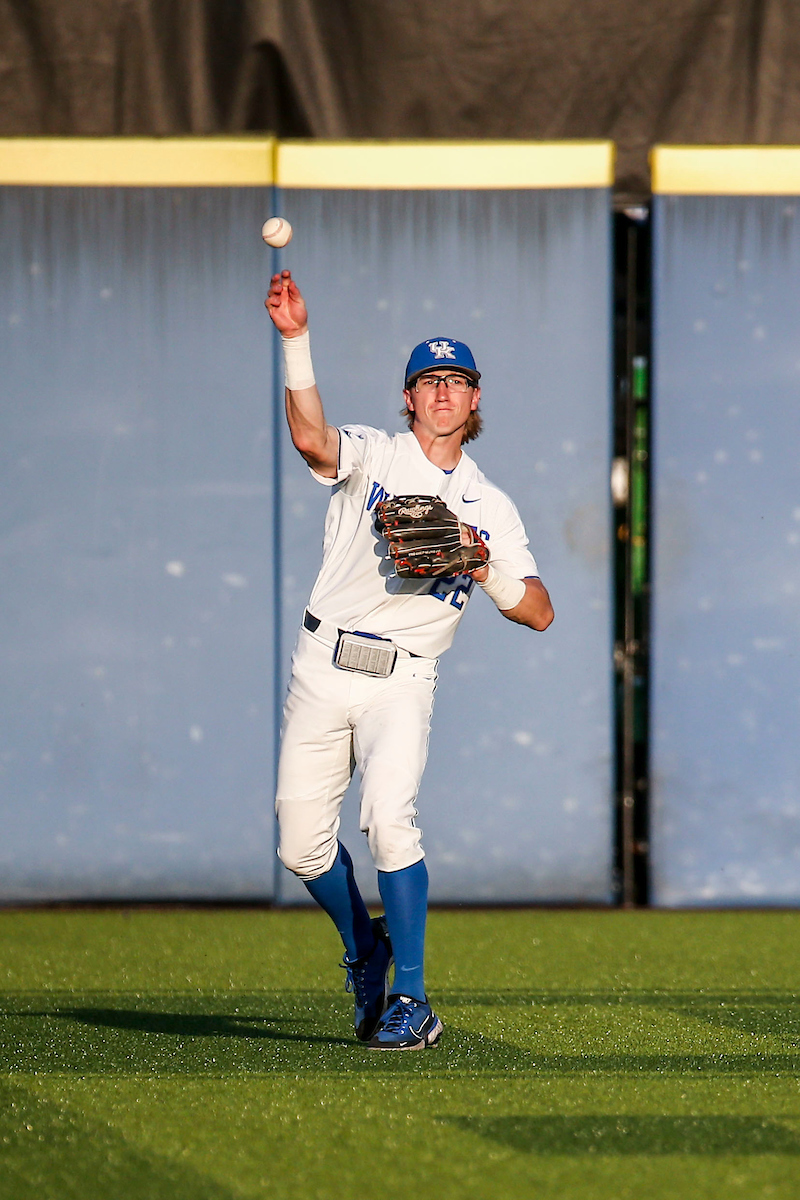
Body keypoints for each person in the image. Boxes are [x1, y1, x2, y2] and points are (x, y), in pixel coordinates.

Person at [265, 268, 554, 1050]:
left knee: (390, 821)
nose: (442, 394)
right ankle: (365, 952)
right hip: (323, 662)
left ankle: (412, 998)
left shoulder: (489, 504)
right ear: (409, 397)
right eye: (429, 381)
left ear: (476, 397)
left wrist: (481, 558)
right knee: (300, 847)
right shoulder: (375, 453)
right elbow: (310, 438)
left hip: (402, 677)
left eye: (456, 381)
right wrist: (296, 341)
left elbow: (538, 610)